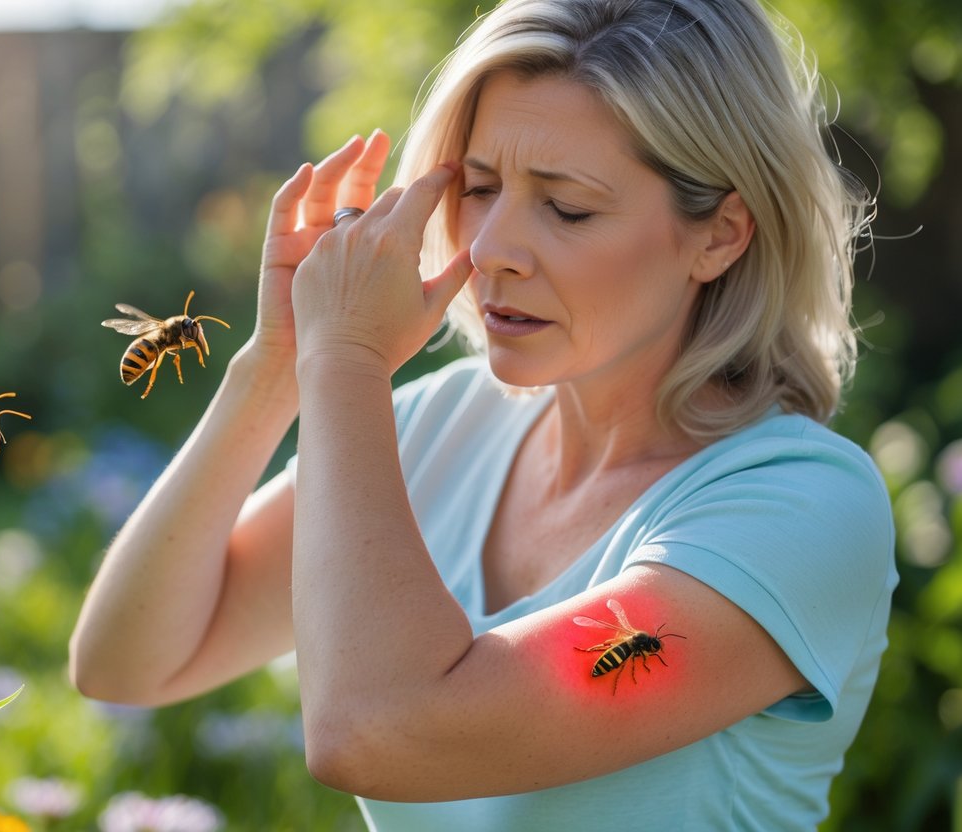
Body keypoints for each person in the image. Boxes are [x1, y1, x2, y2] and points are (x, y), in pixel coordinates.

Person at [70, 0, 897, 828]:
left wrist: (348, 365)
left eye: (566, 206)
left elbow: (377, 731)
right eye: (478, 187)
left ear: (719, 234)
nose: (491, 246)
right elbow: (124, 662)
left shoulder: (800, 510)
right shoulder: (441, 426)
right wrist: (279, 368)